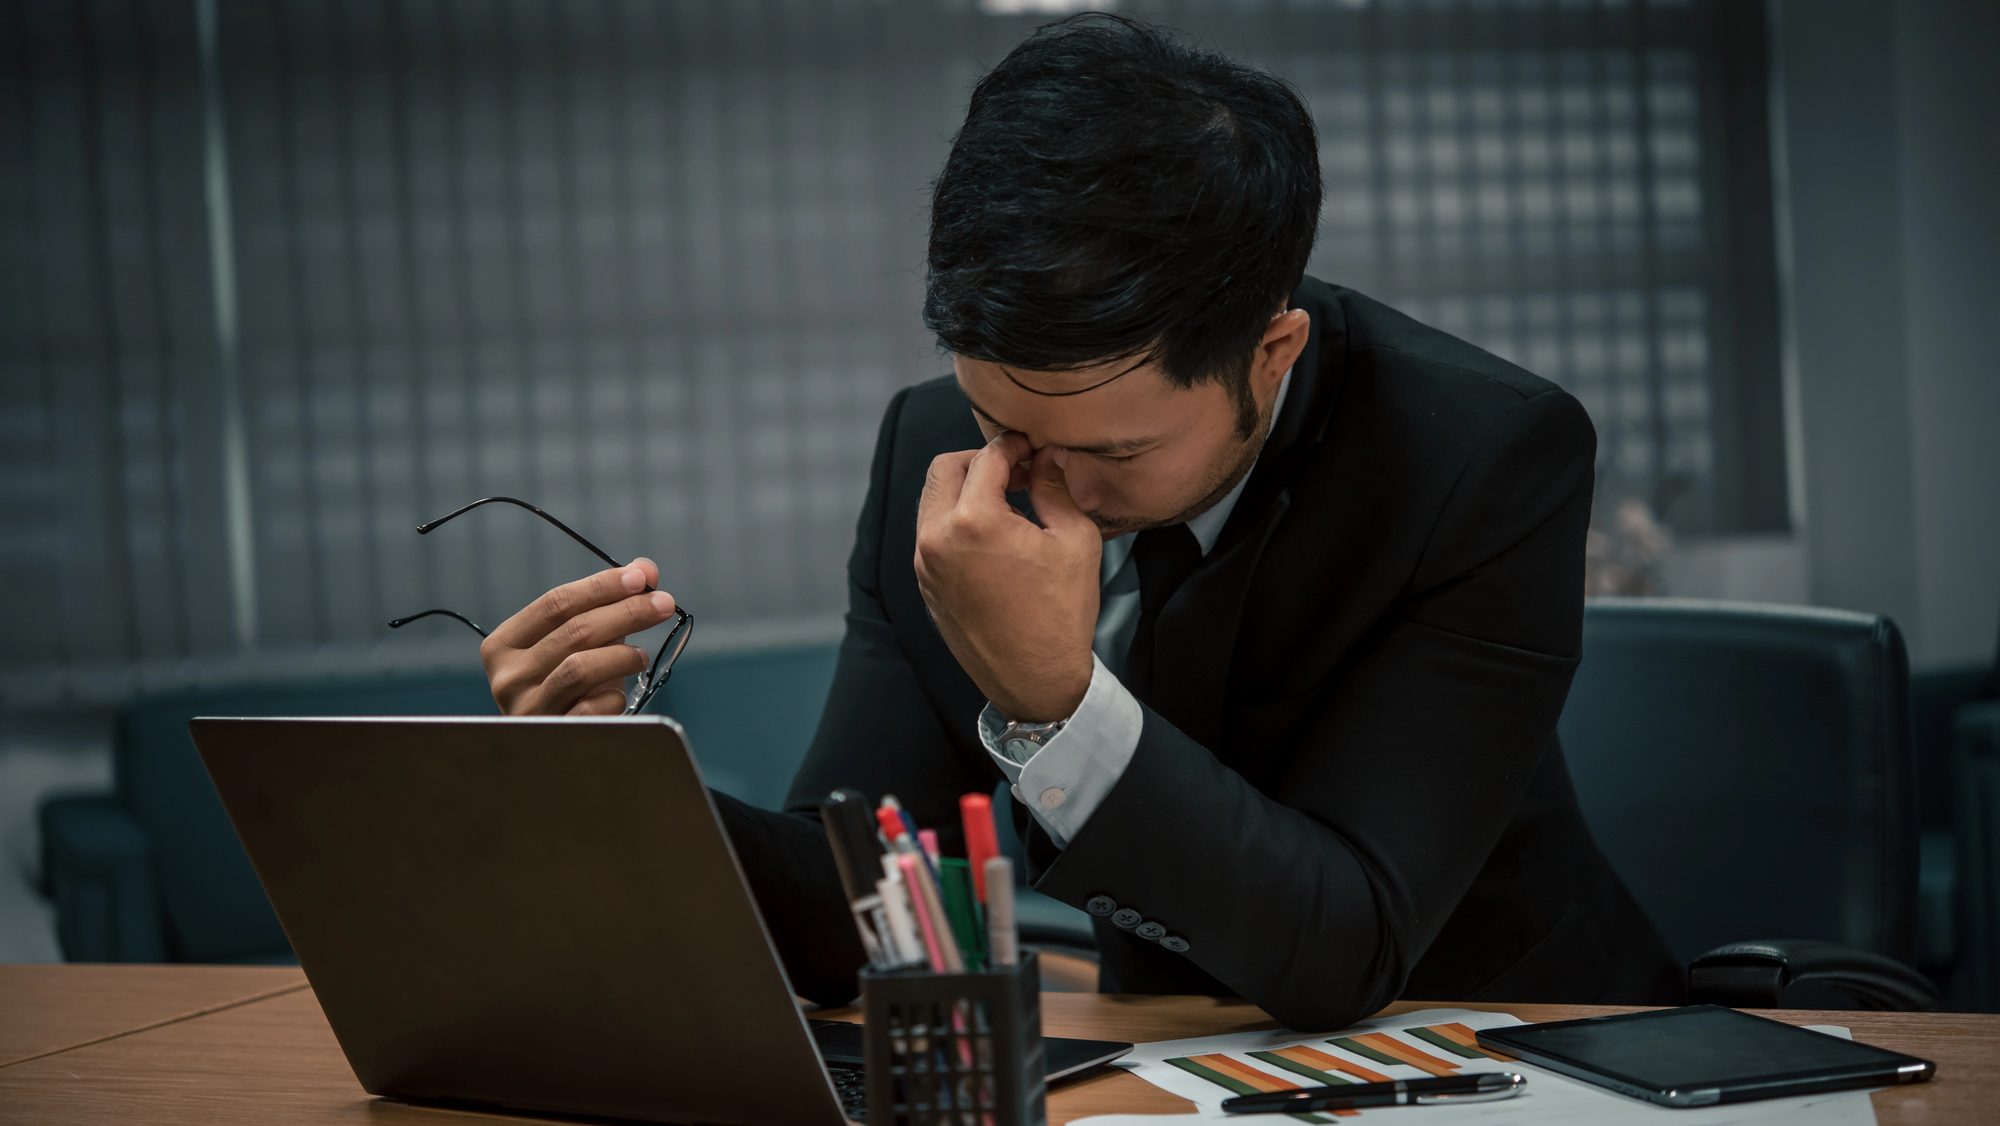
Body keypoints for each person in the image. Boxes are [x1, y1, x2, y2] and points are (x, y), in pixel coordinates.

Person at [477, 13, 1680, 1030]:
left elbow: (1347, 947)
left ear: (1269, 355)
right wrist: (624, 784)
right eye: (1003, 421)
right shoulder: (927, 447)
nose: (1037, 485)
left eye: (1111, 450)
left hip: (1499, 1042)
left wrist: (1055, 699)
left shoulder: (1479, 456)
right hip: (1157, 1053)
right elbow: (855, 916)